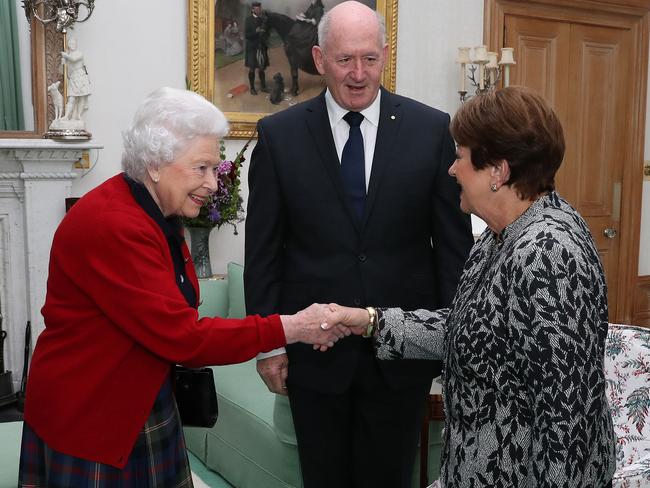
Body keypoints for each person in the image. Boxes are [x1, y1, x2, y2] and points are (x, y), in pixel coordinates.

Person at [18, 87, 348, 487]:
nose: (213, 184)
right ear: (156, 164)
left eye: (215, 168)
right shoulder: (115, 224)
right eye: (201, 168)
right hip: (94, 416)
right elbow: (182, 336)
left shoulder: (155, 212)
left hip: (136, 401)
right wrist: (291, 327)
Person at [329, 86, 617, 487]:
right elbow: (466, 330)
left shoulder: (549, 253)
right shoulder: (496, 237)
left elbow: (567, 419)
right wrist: (372, 321)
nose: (451, 168)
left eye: (461, 155)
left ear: (497, 171)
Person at [244, 2, 474, 487]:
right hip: (315, 355)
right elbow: (262, 250)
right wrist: (267, 344)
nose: (357, 73)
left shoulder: (431, 130)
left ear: (385, 56)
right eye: (345, 59)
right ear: (319, 58)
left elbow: (453, 251)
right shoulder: (280, 136)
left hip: (403, 358)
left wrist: (456, 345)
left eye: (369, 58)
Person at [60, 37, 90, 121]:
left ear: (76, 44)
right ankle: (66, 116)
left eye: (73, 43)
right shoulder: (67, 56)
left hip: (80, 77)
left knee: (82, 97)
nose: (72, 45)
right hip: (73, 78)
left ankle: (79, 115)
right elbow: (62, 72)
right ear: (68, 45)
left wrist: (66, 56)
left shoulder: (79, 53)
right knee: (71, 98)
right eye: (70, 43)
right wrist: (62, 63)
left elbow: (74, 59)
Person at [244, 1, 269, 95]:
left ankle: (263, 87)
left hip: (261, 47)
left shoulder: (263, 19)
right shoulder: (248, 20)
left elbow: (267, 33)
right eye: (257, 9)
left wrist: (264, 33)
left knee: (261, 68)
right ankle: (252, 88)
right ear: (252, 10)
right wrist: (256, 31)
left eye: (260, 8)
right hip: (252, 48)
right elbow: (247, 35)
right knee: (252, 69)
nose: (259, 10)